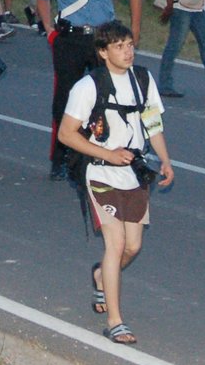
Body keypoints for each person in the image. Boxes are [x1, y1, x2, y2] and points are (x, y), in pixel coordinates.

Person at [59, 20, 174, 347]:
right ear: (102, 52)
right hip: (100, 174)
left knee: (133, 246)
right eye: (120, 46)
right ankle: (115, 321)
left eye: (130, 44)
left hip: (134, 174)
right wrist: (107, 155)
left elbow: (152, 122)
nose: (128, 51)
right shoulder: (88, 87)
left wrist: (165, 159)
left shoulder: (143, 79)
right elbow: (65, 134)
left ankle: (100, 277)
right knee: (116, 243)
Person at [36, 0, 142, 180]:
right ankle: (61, 158)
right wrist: (50, 29)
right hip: (69, 40)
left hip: (101, 39)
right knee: (64, 100)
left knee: (106, 97)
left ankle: (104, 150)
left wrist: (134, 33)